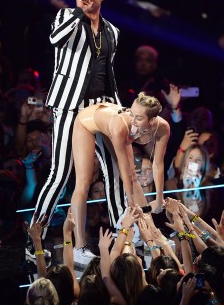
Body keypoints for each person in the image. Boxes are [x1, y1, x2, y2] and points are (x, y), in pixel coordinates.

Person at [30, 0, 123, 264]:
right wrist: (79, 15)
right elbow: (55, 39)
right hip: (70, 105)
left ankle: (125, 233)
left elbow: (109, 74)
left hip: (101, 106)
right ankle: (35, 237)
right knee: (61, 174)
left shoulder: (112, 31)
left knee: (115, 169)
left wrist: (118, 109)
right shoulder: (66, 17)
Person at [69, 92, 170, 265]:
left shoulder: (162, 127)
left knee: (133, 176)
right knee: (83, 183)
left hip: (111, 123)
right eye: (131, 113)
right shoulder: (122, 125)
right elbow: (124, 172)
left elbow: (158, 165)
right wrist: (132, 207)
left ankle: (151, 235)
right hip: (87, 121)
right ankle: (79, 248)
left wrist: (159, 199)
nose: (132, 119)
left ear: (151, 121)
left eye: (138, 117)